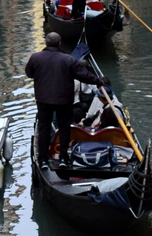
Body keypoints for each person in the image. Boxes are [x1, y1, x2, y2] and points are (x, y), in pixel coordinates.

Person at [26, 31, 106, 170]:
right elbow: (84, 75)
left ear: (45, 43)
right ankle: (63, 158)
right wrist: (98, 81)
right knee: (64, 128)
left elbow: (29, 73)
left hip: (43, 99)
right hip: (63, 100)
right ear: (60, 43)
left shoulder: (35, 58)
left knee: (43, 128)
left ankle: (43, 160)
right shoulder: (68, 60)